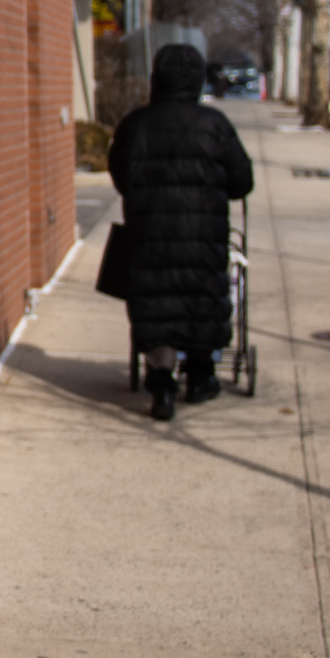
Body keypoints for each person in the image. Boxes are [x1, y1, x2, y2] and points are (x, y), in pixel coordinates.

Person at [108, 41, 255, 421]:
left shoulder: (135, 126)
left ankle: (161, 383)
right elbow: (242, 181)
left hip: (150, 236)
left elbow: (121, 177)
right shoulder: (215, 126)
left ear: (158, 78)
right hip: (201, 239)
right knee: (200, 299)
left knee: (157, 303)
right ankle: (201, 376)